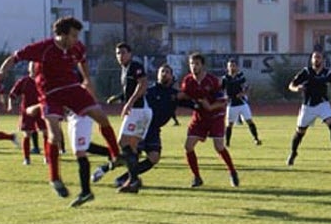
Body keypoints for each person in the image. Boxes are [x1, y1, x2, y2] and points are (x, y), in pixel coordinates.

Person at [0, 16, 121, 199]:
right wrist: (2, 71)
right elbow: (15, 57)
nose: (76, 39)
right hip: (50, 94)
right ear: (62, 34)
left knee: (101, 116)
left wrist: (87, 79)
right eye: (74, 35)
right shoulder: (43, 48)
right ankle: (54, 178)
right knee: (54, 134)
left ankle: (116, 155)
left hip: (72, 88)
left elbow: (82, 61)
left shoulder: (76, 47)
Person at [96, 63, 188, 188]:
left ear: (172, 76)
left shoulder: (175, 95)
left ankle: (124, 178)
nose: (164, 74)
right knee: (130, 155)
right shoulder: (150, 90)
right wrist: (118, 97)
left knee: (154, 157)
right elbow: (135, 93)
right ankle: (104, 169)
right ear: (157, 75)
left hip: (154, 130)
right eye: (162, 71)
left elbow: (191, 103)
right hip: (142, 126)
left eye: (167, 72)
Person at [180, 52, 239, 188]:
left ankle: (232, 171)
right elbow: (184, 95)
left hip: (215, 117)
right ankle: (197, 177)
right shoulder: (188, 81)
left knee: (219, 147)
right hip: (199, 117)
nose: (194, 66)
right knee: (188, 146)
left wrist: (210, 107)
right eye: (191, 64)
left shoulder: (212, 80)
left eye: (197, 64)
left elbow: (223, 102)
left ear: (202, 65)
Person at [103, 42, 150, 193]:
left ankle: (133, 179)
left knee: (122, 143)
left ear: (130, 54)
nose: (120, 56)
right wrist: (118, 98)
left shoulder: (135, 66)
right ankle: (133, 181)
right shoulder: (125, 69)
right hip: (139, 111)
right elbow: (130, 90)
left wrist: (129, 103)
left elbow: (143, 85)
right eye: (118, 53)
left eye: (123, 52)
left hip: (138, 110)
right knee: (132, 147)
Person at [286, 51, 331, 166]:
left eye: (318, 57)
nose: (316, 59)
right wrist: (297, 88)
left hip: (322, 104)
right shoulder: (306, 72)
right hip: (308, 106)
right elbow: (291, 85)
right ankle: (293, 153)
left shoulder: (327, 73)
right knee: (300, 132)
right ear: (311, 60)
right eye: (314, 57)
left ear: (322, 60)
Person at [7, 61, 48, 165]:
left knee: (46, 132)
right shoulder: (24, 81)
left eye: (35, 66)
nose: (33, 68)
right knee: (27, 134)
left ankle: (47, 157)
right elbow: (12, 94)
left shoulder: (43, 80)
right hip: (27, 111)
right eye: (31, 66)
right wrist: (10, 105)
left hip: (41, 109)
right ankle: (26, 158)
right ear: (28, 68)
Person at [221, 58, 261, 147]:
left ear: (237, 67)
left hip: (242, 103)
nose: (232, 68)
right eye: (230, 66)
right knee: (229, 124)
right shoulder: (225, 78)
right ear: (227, 67)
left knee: (249, 120)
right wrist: (224, 97)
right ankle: (227, 143)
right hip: (231, 104)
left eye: (233, 66)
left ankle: (256, 138)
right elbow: (221, 90)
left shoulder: (241, 76)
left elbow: (247, 87)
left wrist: (243, 93)